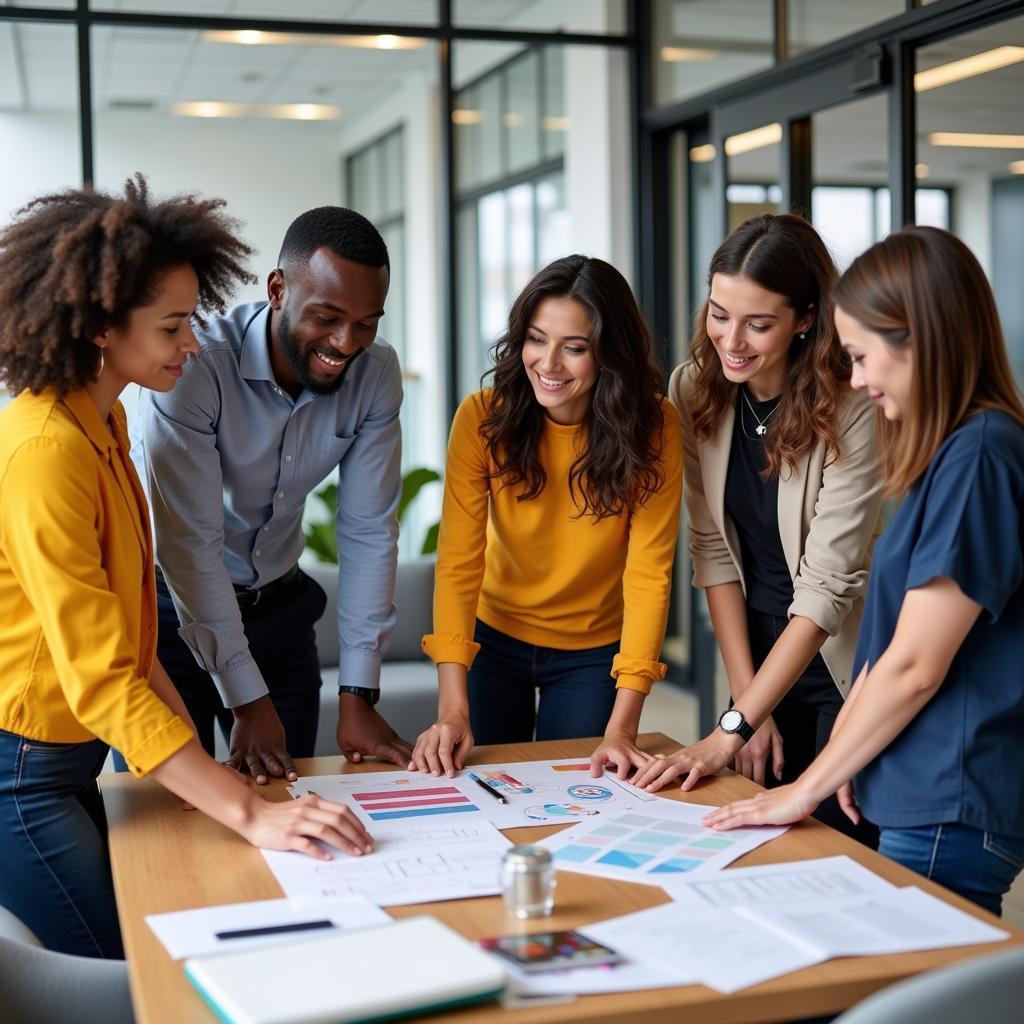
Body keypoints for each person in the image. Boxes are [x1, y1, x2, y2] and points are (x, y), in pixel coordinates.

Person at [0, 177, 373, 960]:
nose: (192, 345)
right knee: (129, 971)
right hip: (22, 773)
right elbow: (104, 678)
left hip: (73, 758)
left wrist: (220, 781)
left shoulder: (100, 423)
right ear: (103, 326)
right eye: (172, 326)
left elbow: (134, 641)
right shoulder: (45, 450)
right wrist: (246, 811)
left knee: (165, 927)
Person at [704, 226, 1024, 915]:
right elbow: (889, 653)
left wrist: (806, 785)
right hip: (911, 781)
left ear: (920, 339)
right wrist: (845, 761)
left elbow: (915, 665)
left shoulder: (982, 458)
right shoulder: (950, 456)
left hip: (949, 795)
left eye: (860, 356)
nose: (855, 379)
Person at [131, 206, 413, 784]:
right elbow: (192, 544)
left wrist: (358, 692)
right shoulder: (195, 365)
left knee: (290, 817)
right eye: (327, 317)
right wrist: (246, 700)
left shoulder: (375, 373)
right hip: (169, 618)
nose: (346, 343)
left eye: (366, 323)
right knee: (167, 830)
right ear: (278, 289)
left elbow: (367, 530)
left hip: (279, 616)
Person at [633, 214, 882, 845]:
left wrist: (730, 730)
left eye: (758, 324)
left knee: (834, 846)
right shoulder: (693, 389)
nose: (731, 340)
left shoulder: (854, 406)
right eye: (719, 314)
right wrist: (748, 708)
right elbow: (712, 549)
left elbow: (828, 586)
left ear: (805, 319)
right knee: (755, 841)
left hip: (844, 662)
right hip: (756, 657)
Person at [410, 255, 682, 779]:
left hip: (591, 653)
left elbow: (650, 574)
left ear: (610, 354)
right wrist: (452, 708)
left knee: (577, 795)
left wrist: (622, 729)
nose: (549, 363)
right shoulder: (481, 418)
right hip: (492, 639)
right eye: (537, 339)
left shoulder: (655, 427)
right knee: (477, 789)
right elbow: (459, 563)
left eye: (574, 348)